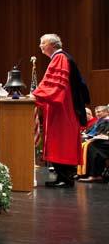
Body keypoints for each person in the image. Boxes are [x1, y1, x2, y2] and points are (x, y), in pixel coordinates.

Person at [32, 34, 90, 188]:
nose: (41, 46)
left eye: (42, 43)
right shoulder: (59, 58)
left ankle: (66, 179)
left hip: (64, 108)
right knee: (59, 140)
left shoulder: (60, 58)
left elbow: (56, 85)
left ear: (52, 44)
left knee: (62, 141)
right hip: (62, 106)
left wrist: (35, 95)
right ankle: (62, 177)